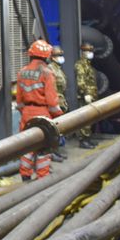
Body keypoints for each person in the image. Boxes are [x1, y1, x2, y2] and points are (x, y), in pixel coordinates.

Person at [16, 40, 63, 181]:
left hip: (26, 113)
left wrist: (25, 112)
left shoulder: (22, 72)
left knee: (27, 146)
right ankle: (42, 178)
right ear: (46, 56)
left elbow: (19, 101)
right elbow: (52, 101)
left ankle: (25, 175)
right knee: (44, 147)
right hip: (43, 113)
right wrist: (58, 117)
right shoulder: (47, 73)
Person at [75, 43, 99, 149]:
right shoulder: (80, 65)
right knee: (84, 118)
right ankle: (83, 140)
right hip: (86, 95)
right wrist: (85, 93)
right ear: (84, 52)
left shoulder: (88, 65)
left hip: (91, 94)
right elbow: (81, 82)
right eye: (89, 51)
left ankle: (88, 138)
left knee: (90, 119)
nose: (91, 54)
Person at [48, 46, 69, 162]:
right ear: (52, 57)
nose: (60, 58)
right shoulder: (50, 69)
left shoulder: (58, 69)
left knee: (59, 129)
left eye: (61, 55)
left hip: (60, 101)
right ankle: (52, 152)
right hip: (55, 102)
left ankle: (56, 151)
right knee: (54, 130)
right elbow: (52, 89)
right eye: (58, 56)